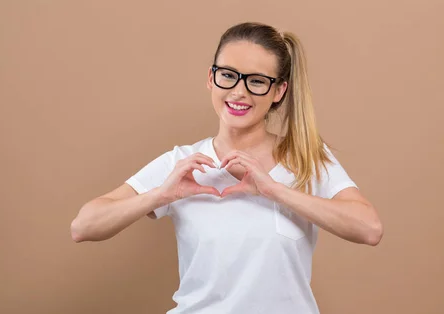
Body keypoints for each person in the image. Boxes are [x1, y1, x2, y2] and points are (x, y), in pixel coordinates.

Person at [70, 21, 383, 314]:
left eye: (257, 81)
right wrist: (159, 195)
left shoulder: (305, 158)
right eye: (228, 75)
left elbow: (369, 229)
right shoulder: (181, 162)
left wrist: (274, 190)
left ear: (279, 91)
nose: (239, 91)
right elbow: (83, 226)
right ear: (211, 78)